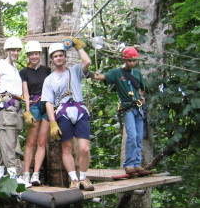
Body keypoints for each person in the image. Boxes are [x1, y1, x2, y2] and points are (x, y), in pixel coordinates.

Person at [41, 38, 94, 190]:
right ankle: (74, 179)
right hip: (62, 112)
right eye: (55, 56)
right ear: (52, 59)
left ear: (64, 56)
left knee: (84, 148)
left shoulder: (75, 71)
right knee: (67, 148)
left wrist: (78, 47)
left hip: (79, 110)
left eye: (60, 55)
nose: (58, 58)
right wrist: (52, 123)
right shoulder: (49, 80)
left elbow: (87, 62)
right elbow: (48, 103)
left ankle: (83, 177)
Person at [94, 47, 152, 176]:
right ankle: (129, 165)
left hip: (138, 108)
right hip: (127, 108)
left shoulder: (137, 73)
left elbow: (141, 89)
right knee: (131, 136)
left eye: (133, 61)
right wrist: (96, 75)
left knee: (138, 137)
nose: (132, 63)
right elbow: (103, 77)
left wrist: (142, 97)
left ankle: (137, 164)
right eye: (129, 61)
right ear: (124, 60)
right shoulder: (117, 73)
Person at [0, 37, 31, 188]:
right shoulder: (0, 65)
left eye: (18, 50)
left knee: (7, 142)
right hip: (5, 107)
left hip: (16, 107)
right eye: (13, 50)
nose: (15, 52)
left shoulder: (15, 68)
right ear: (7, 51)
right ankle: (13, 175)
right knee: (8, 141)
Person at [20, 40, 52, 186]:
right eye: (31, 54)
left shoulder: (46, 70)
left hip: (47, 105)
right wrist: (27, 111)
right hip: (33, 105)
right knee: (30, 142)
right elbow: (25, 92)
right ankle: (26, 173)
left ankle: (36, 174)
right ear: (28, 56)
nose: (34, 56)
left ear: (40, 54)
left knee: (42, 142)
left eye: (36, 53)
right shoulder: (24, 72)